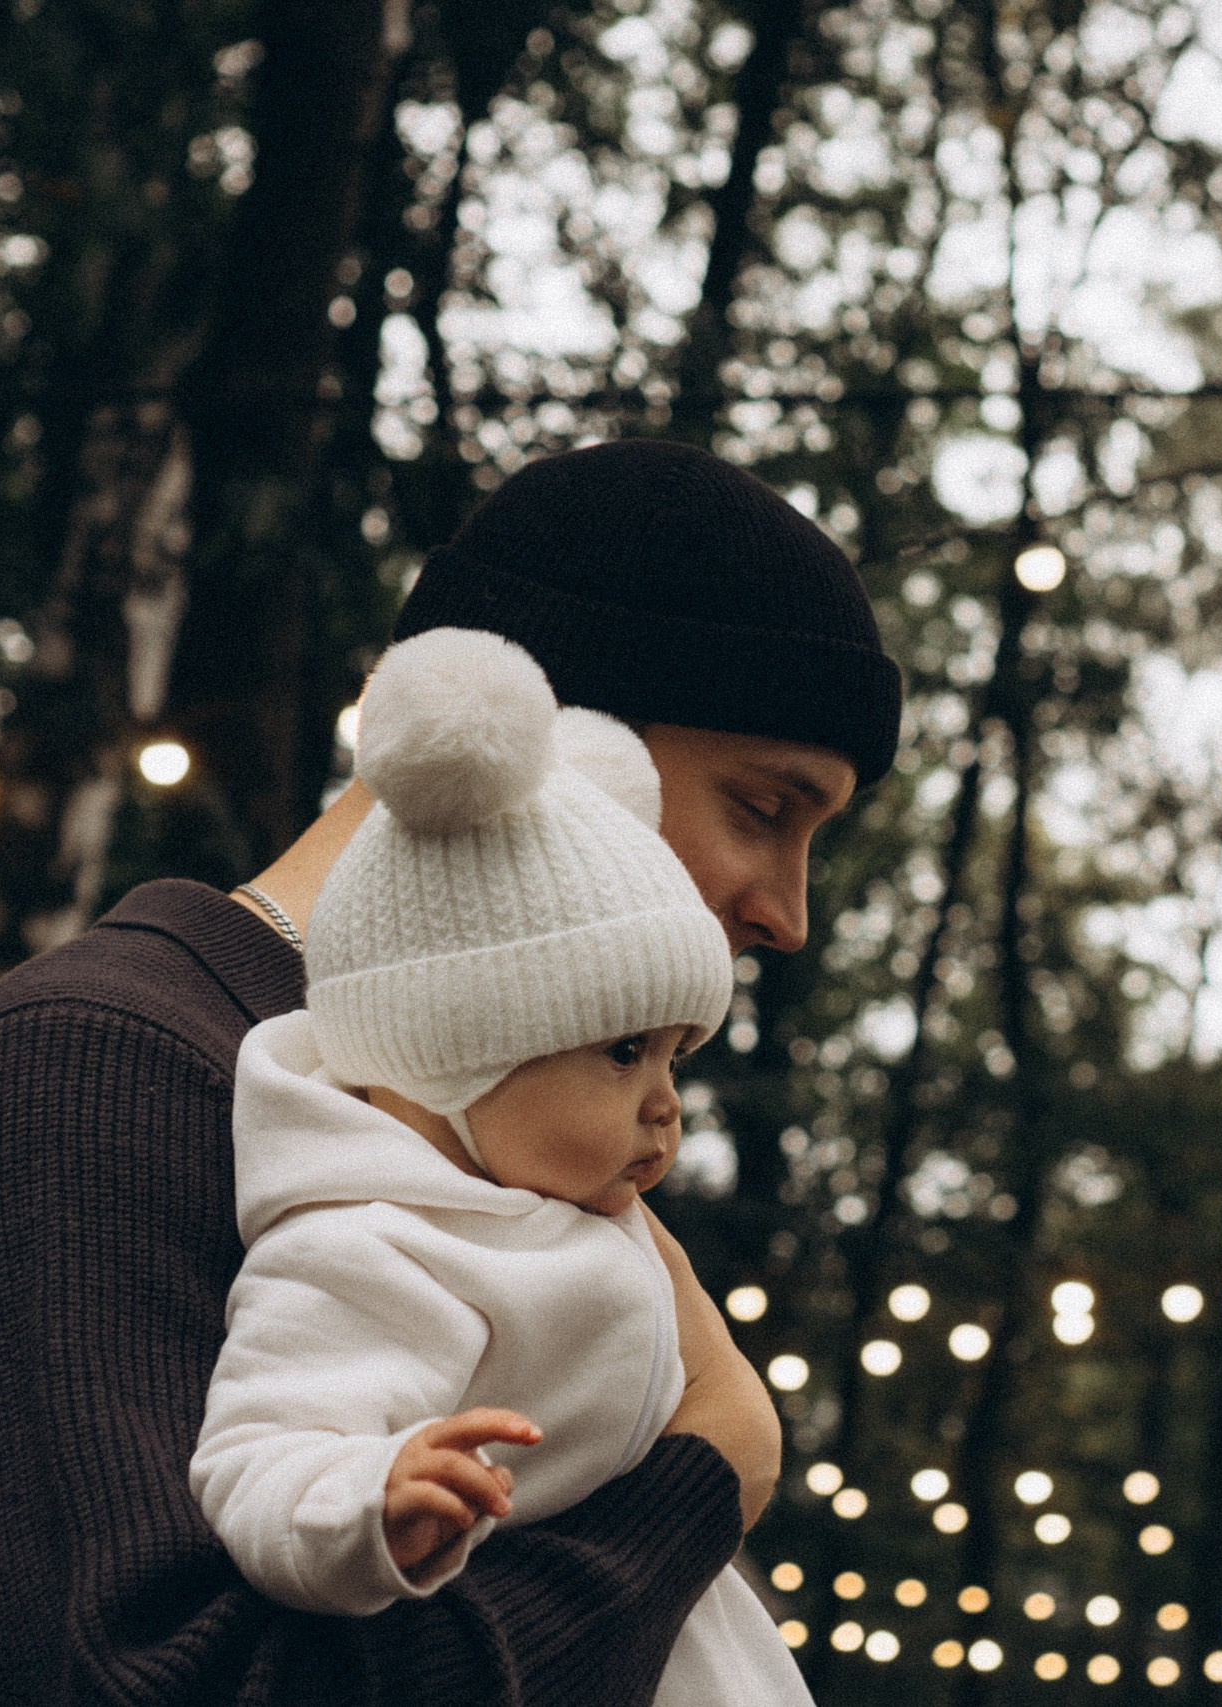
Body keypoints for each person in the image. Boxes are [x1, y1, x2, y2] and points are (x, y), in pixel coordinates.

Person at [0, 439, 902, 1707]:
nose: (788, 913)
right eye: (764, 807)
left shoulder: (452, 1140)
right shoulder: (86, 1077)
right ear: (560, 753)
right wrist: (703, 1479)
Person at [192, 628, 808, 1707]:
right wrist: (372, 1503)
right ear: (450, 1054)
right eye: (623, 1052)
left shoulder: (552, 1204)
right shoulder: (369, 1244)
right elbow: (261, 1449)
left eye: (676, 1055)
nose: (666, 1104)